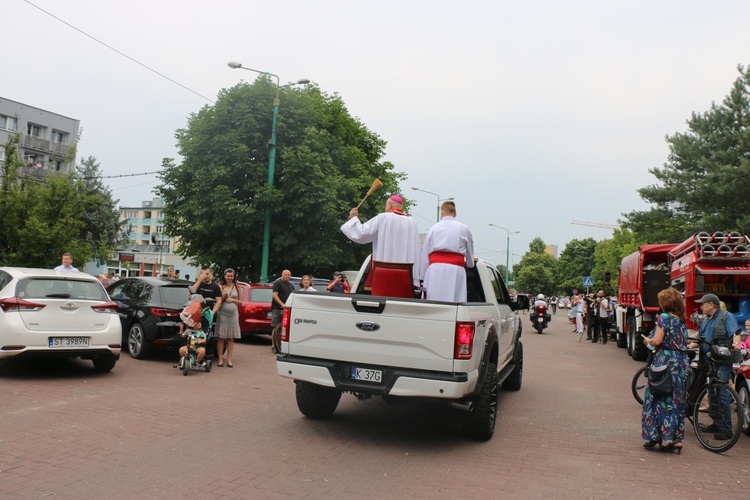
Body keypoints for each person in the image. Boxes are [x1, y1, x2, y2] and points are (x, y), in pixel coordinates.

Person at [641, 287, 690, 453]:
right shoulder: (680, 319)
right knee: (677, 399)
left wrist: (648, 339)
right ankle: (676, 438)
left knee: (656, 396)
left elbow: (657, 341)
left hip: (666, 361)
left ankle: (657, 436)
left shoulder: (664, 318)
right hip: (682, 362)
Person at [687, 293, 741, 441]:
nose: (700, 306)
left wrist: (736, 344)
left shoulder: (727, 316)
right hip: (708, 361)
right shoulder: (706, 320)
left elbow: (735, 333)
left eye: (703, 304)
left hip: (721, 361)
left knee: (722, 392)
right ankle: (716, 423)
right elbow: (699, 339)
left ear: (711, 305)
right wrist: (689, 345)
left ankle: (726, 430)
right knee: (711, 392)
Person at [341, 194, 421, 289]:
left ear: (390, 205)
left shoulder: (382, 218)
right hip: (406, 278)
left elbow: (362, 234)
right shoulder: (413, 223)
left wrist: (354, 218)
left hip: (384, 275)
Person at [420, 201, 475, 302]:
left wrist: (423, 276)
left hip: (434, 271)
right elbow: (470, 253)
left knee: (433, 301)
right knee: (454, 301)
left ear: (442, 213)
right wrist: (470, 263)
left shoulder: (433, 228)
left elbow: (425, 254)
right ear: (455, 214)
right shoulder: (464, 228)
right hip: (456, 270)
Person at [215, 268, 243, 367]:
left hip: (233, 315)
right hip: (222, 314)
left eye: (231, 276)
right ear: (224, 276)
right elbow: (217, 300)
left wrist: (232, 300)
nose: (229, 278)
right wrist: (223, 297)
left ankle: (229, 359)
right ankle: (220, 359)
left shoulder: (237, 287)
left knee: (231, 338)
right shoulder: (220, 286)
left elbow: (241, 301)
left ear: (234, 276)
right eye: (228, 276)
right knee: (221, 337)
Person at [271, 270, 295, 354]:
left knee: (284, 328)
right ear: (282, 275)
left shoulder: (291, 285)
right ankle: (274, 346)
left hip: (287, 310)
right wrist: (282, 304)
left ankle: (281, 345)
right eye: (286, 275)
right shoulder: (278, 283)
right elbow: (275, 295)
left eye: (289, 275)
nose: (287, 276)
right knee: (276, 326)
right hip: (277, 308)